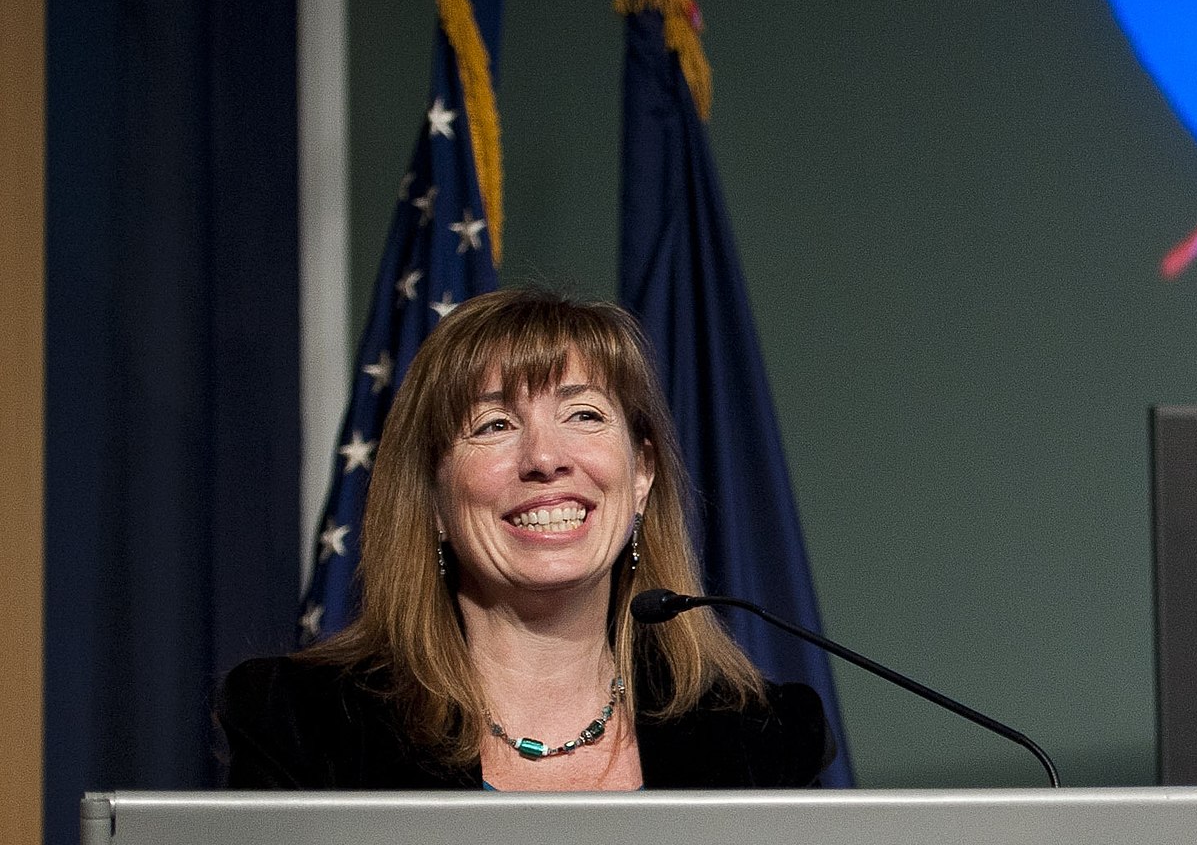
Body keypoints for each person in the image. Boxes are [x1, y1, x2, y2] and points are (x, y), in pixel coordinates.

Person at [219, 287, 832, 789]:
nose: (544, 457)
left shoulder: (761, 740)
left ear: (642, 473)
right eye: (495, 424)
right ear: (431, 497)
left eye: (583, 414)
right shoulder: (303, 727)